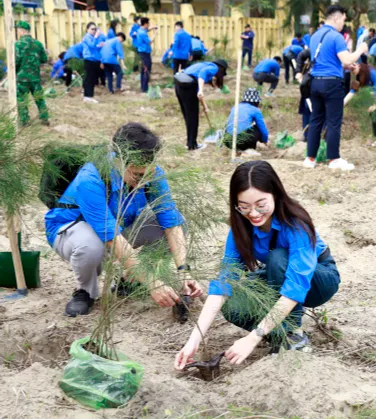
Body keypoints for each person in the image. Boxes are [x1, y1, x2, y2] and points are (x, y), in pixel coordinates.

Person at [174, 160, 341, 368]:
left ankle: (293, 336)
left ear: (276, 195)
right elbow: (224, 284)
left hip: (318, 280)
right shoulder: (239, 230)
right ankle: (277, 333)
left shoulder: (296, 225)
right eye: (244, 207)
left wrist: (253, 338)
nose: (253, 213)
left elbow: (295, 287)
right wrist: (193, 341)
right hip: (276, 276)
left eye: (261, 205)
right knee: (234, 302)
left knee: (278, 257)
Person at [45, 122, 203, 317]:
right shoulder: (91, 179)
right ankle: (85, 291)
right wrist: (153, 282)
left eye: (148, 173)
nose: (144, 180)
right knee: (91, 245)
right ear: (119, 161)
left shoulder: (150, 173)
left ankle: (130, 280)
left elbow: (170, 221)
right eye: (138, 175)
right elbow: (111, 237)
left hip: (118, 227)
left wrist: (183, 271)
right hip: (71, 232)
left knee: (177, 224)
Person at [303, 4, 368, 172]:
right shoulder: (337, 37)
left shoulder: (315, 36)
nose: (343, 24)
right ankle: (334, 159)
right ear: (337, 18)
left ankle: (310, 158)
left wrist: (347, 67)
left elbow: (329, 61)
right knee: (333, 122)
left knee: (316, 120)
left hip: (315, 82)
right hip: (332, 84)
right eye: (343, 20)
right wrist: (360, 50)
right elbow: (346, 59)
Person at [174, 60, 228, 151]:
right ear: (221, 69)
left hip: (180, 85)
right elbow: (202, 74)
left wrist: (205, 106)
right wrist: (201, 90)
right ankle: (192, 145)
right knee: (193, 117)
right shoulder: (214, 67)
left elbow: (198, 92)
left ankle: (190, 143)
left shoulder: (201, 66)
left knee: (189, 116)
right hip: (188, 86)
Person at [15, 21, 49, 127]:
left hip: (22, 77)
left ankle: (25, 121)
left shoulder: (18, 44)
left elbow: (16, 61)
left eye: (18, 30)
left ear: (21, 30)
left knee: (22, 99)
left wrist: (13, 72)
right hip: (35, 77)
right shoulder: (38, 44)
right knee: (39, 98)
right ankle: (45, 118)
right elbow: (44, 59)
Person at [223, 88, 269, 153]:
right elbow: (263, 129)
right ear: (256, 101)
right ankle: (247, 148)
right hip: (242, 142)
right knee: (257, 128)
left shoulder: (236, 107)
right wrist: (265, 140)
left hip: (228, 141)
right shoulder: (255, 110)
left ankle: (236, 149)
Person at [81, 22, 104, 103]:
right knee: (89, 79)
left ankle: (89, 95)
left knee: (93, 79)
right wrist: (96, 36)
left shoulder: (93, 37)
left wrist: (100, 45)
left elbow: (95, 47)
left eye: (95, 29)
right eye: (92, 29)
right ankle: (87, 96)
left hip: (95, 60)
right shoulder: (87, 37)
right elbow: (91, 45)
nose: (94, 31)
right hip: (89, 60)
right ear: (87, 29)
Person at [136, 17, 157, 94]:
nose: (149, 25)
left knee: (143, 70)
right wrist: (155, 34)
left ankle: (143, 87)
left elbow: (147, 29)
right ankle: (145, 88)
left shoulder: (140, 30)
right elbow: (149, 42)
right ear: (145, 24)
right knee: (146, 70)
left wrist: (153, 27)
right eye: (148, 24)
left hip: (142, 53)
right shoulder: (142, 33)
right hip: (144, 54)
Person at [294, 48, 312, 136]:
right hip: (309, 82)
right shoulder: (315, 46)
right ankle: (306, 134)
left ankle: (321, 135)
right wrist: (298, 72)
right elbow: (301, 56)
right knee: (307, 107)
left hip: (327, 82)